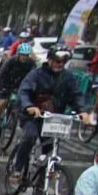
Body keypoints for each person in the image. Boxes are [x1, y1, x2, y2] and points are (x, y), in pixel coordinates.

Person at [8, 46, 90, 184]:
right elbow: (24, 91)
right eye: (57, 60)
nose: (60, 64)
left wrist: (83, 111)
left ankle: (42, 182)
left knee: (50, 148)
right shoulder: (36, 74)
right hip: (33, 116)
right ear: (50, 60)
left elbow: (76, 95)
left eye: (63, 61)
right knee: (30, 137)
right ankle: (17, 168)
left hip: (53, 119)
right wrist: (29, 106)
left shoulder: (68, 77)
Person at [0, 42, 36, 131]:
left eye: (26, 55)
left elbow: (35, 76)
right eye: (22, 55)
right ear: (18, 54)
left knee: (21, 104)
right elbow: (1, 72)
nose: (24, 57)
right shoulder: (11, 61)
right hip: (7, 83)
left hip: (21, 85)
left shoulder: (31, 63)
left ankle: (13, 118)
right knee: (1, 104)